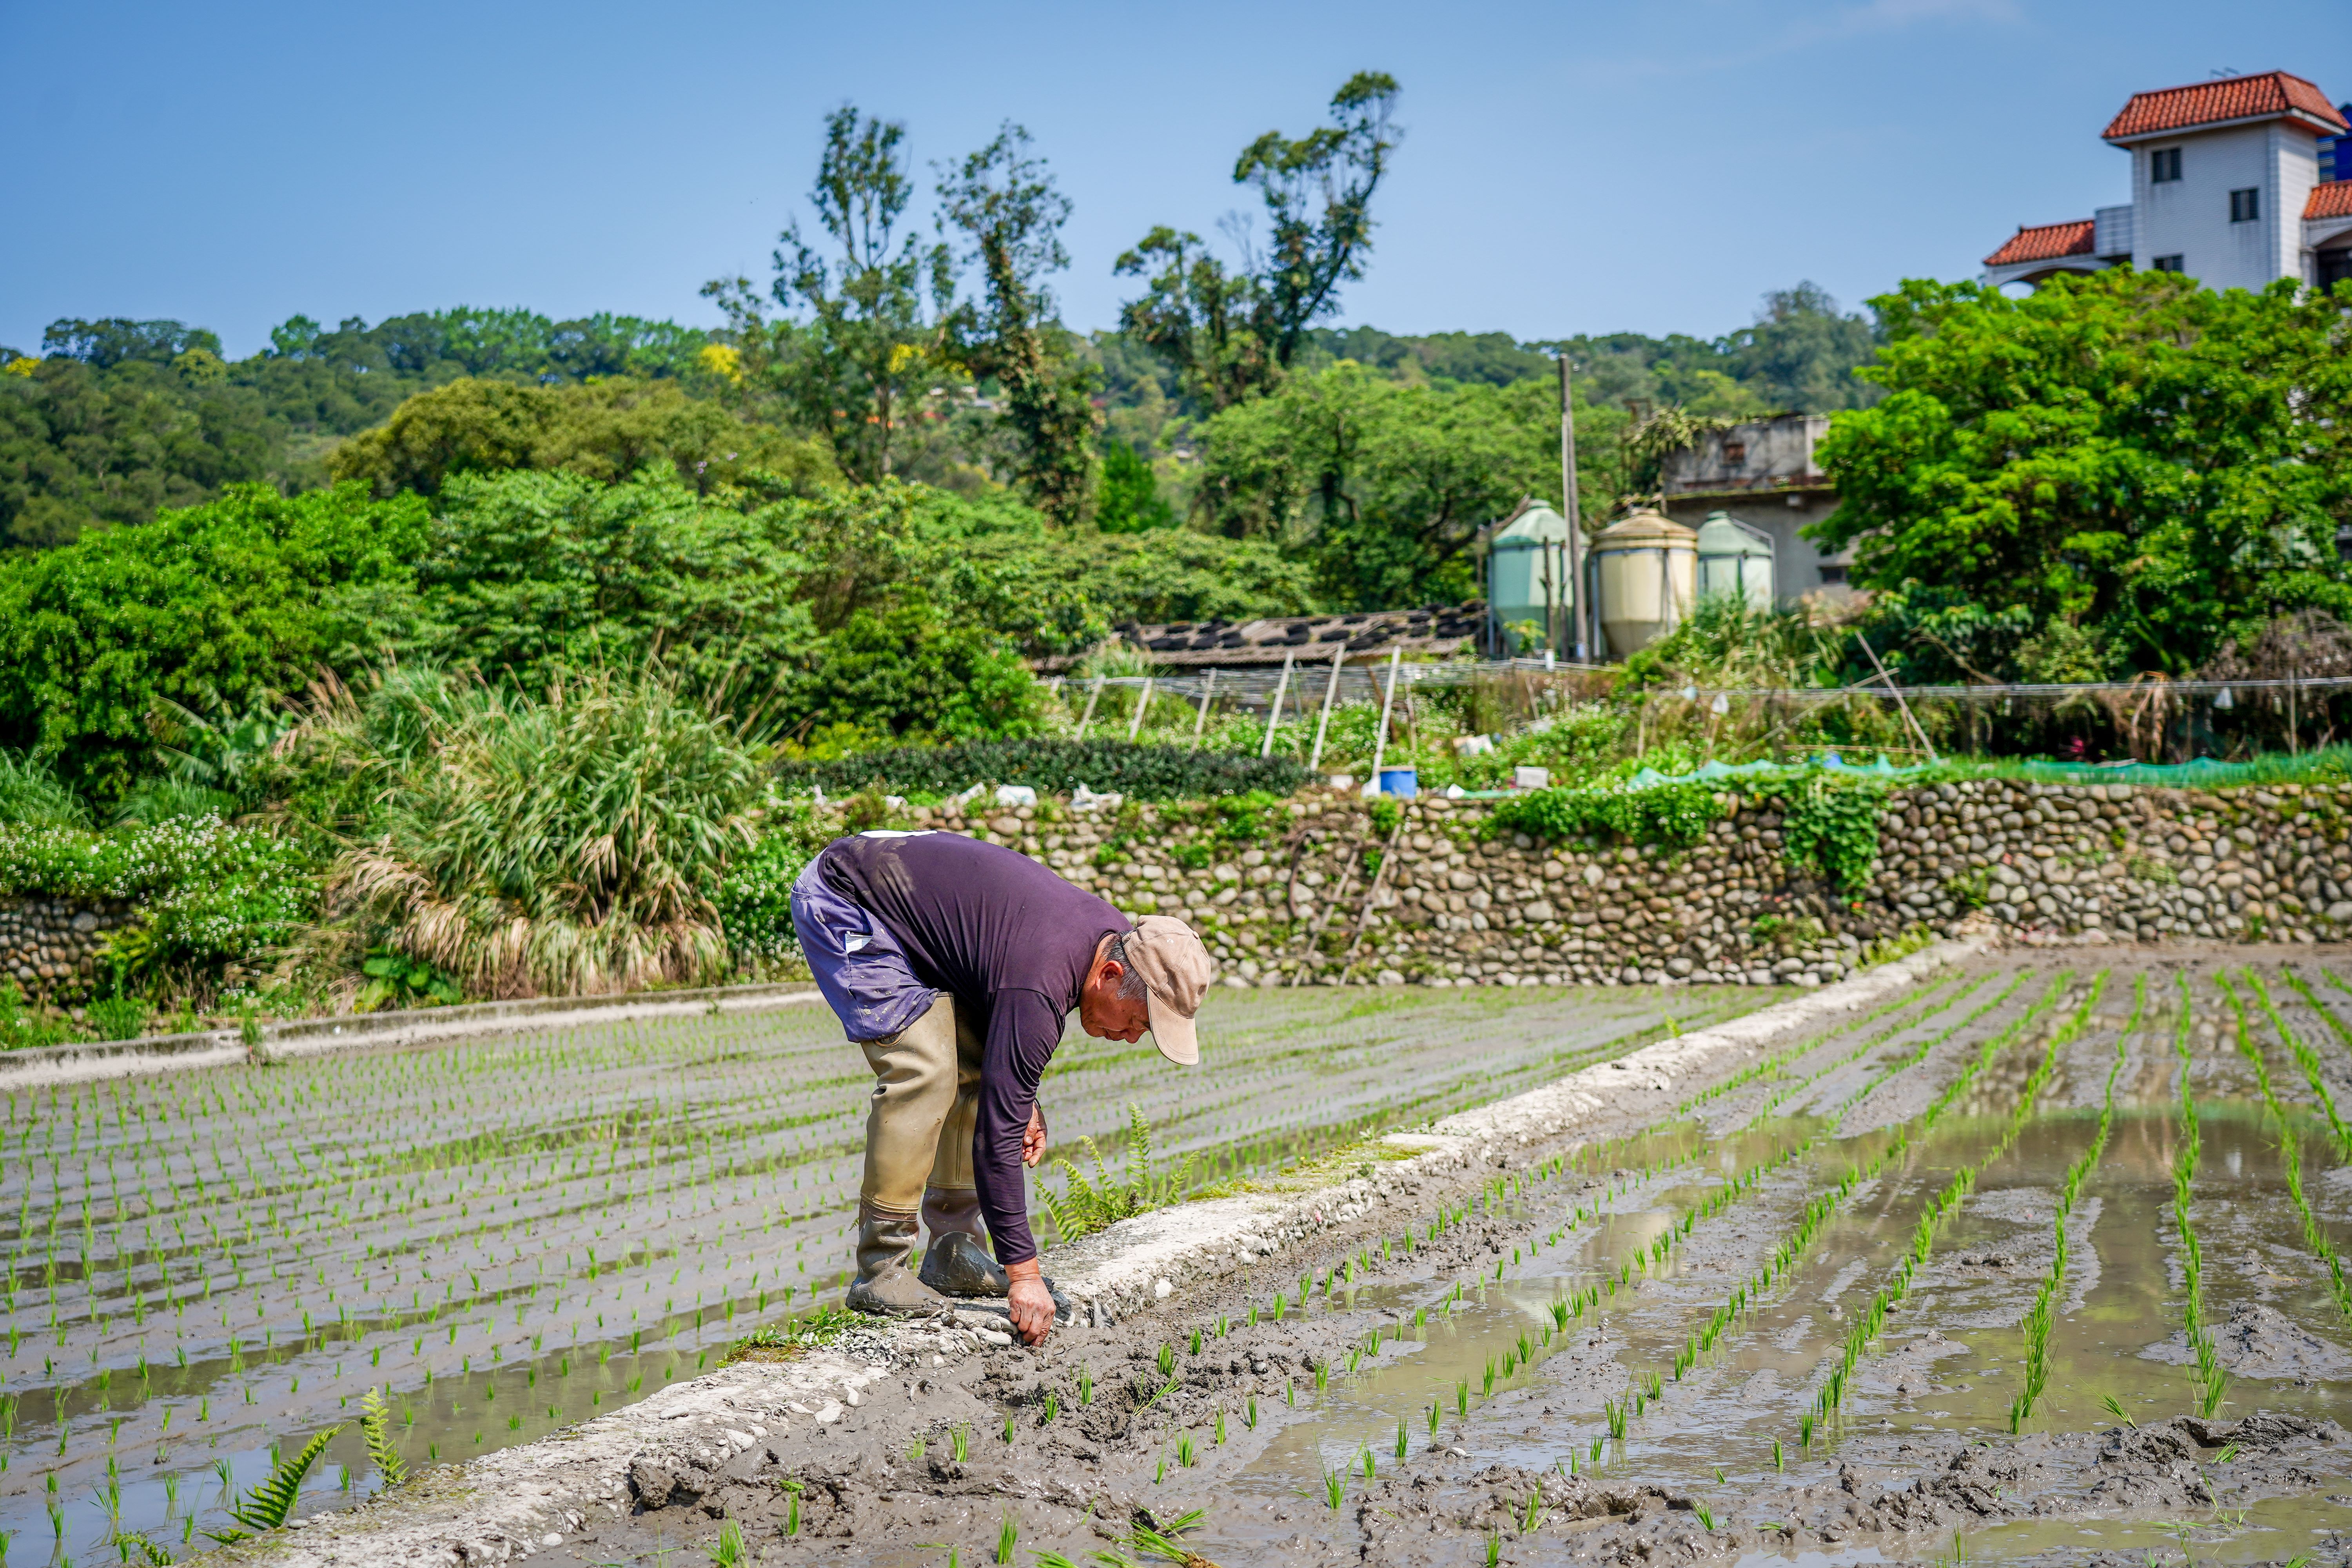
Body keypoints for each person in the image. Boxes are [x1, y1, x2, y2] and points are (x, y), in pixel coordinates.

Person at [789, 825, 1212, 1346]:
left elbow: (1003, 1008)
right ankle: (881, 1267)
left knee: (972, 1065)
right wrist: (1025, 1277)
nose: (1130, 1038)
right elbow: (997, 1139)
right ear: (1108, 974)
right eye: (1139, 1022)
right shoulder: (1046, 975)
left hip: (905, 902)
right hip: (847, 899)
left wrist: (1024, 1099)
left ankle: (953, 1251)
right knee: (925, 1071)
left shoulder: (1106, 941)